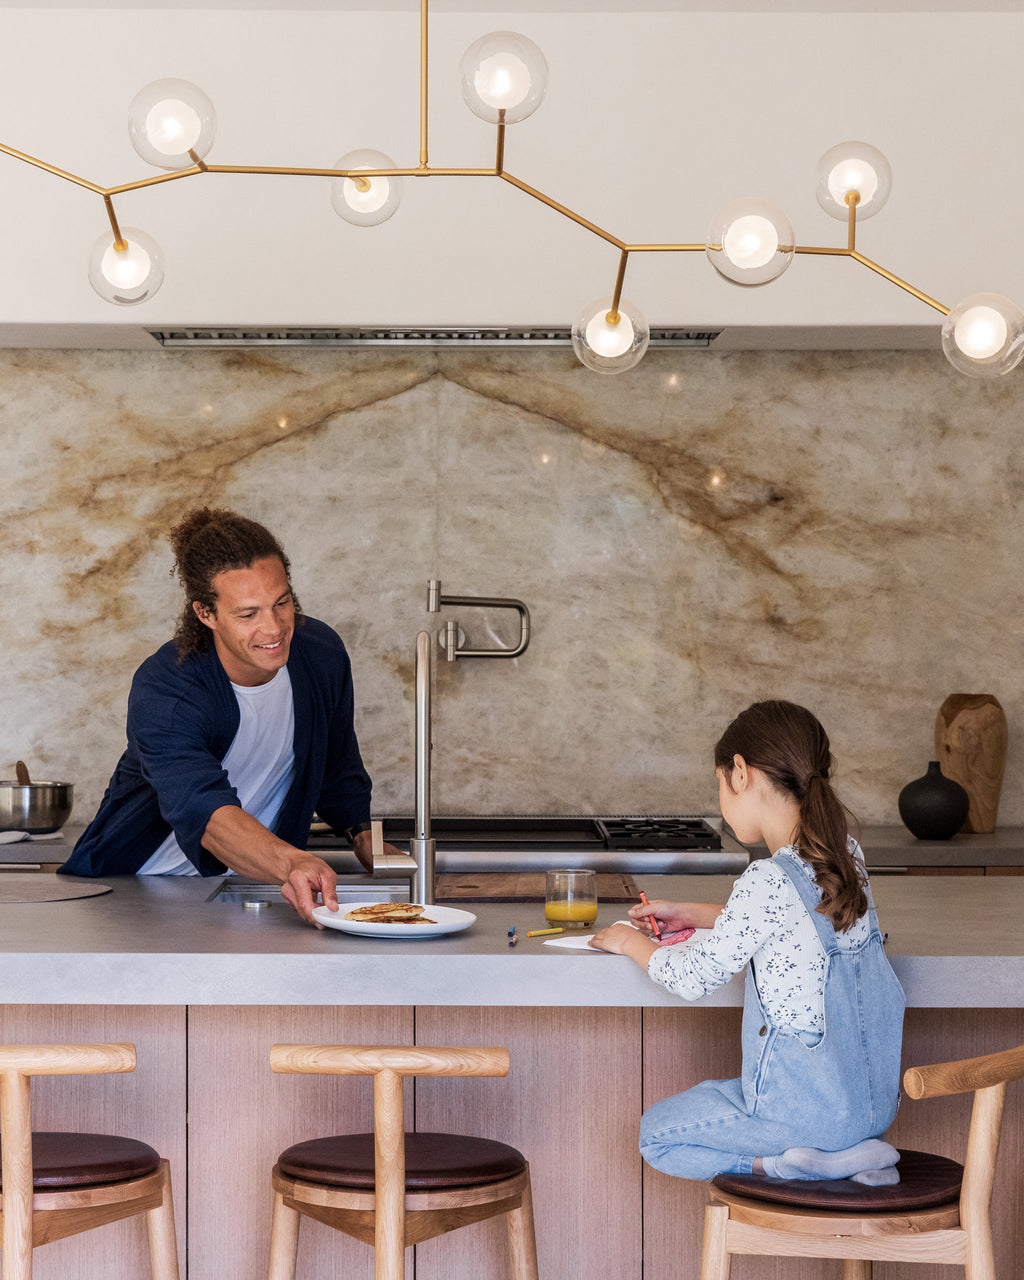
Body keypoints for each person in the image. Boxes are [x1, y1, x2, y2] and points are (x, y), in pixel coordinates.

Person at [589, 700, 906, 1184]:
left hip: (799, 1113)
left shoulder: (767, 878)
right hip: (867, 1107)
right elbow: (803, 921)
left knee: (657, 1135)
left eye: (718, 782)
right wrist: (695, 914)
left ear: (740, 772)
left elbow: (692, 978)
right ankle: (848, 1154)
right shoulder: (847, 856)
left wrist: (626, 942)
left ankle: (785, 1163)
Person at [59, 506, 401, 926]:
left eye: (282, 603)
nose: (273, 628)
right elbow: (204, 809)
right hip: (136, 891)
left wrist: (366, 839)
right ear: (206, 614)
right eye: (248, 613)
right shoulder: (167, 688)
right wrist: (292, 862)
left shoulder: (320, 654)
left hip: (255, 888)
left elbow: (336, 765)